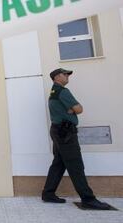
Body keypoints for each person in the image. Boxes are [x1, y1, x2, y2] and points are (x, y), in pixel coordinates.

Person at [41, 68, 110, 210]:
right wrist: (73, 109)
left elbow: (72, 109)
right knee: (75, 164)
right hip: (65, 132)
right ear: (56, 77)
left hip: (58, 131)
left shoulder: (54, 92)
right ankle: (88, 199)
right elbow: (79, 109)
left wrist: (71, 109)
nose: (67, 77)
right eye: (65, 74)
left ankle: (48, 193)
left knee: (59, 163)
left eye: (67, 74)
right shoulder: (63, 91)